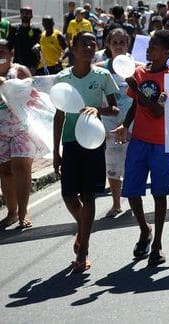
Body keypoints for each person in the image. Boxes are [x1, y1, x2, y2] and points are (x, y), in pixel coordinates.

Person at [53, 32, 119, 273]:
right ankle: (84, 228)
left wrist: (97, 108)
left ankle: (83, 250)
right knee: (69, 195)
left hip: (93, 142)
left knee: (89, 195)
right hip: (70, 143)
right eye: (84, 43)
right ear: (73, 47)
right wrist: (56, 152)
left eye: (93, 43)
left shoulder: (103, 75)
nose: (89, 47)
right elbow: (59, 116)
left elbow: (113, 108)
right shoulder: (62, 78)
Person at [113, 30, 169, 266]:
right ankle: (144, 229)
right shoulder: (139, 73)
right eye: (149, 45)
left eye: (154, 46)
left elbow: (157, 110)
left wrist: (137, 87)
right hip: (139, 140)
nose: (149, 49)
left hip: (162, 143)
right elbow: (135, 106)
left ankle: (158, 244)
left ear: (166, 53)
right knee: (132, 190)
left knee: (159, 193)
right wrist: (124, 124)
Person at [96, 28, 138, 218]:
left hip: (134, 123)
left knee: (134, 163)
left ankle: (134, 201)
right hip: (109, 124)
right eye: (115, 43)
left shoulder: (137, 67)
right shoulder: (99, 69)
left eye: (122, 42)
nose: (119, 46)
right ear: (108, 45)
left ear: (127, 45)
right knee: (112, 164)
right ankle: (116, 203)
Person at [0, 39, 34, 229]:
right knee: (5, 171)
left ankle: (23, 212)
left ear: (11, 52)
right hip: (0, 130)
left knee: (21, 167)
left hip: (21, 127)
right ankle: (11, 213)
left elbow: (33, 92)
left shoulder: (19, 71)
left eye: (2, 51)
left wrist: (8, 85)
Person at [9, 6, 42, 72]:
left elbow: (41, 44)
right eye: (23, 13)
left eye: (27, 13)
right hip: (17, 65)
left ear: (31, 15)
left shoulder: (36, 30)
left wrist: (38, 46)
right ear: (20, 15)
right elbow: (9, 46)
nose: (25, 15)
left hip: (32, 65)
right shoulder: (14, 29)